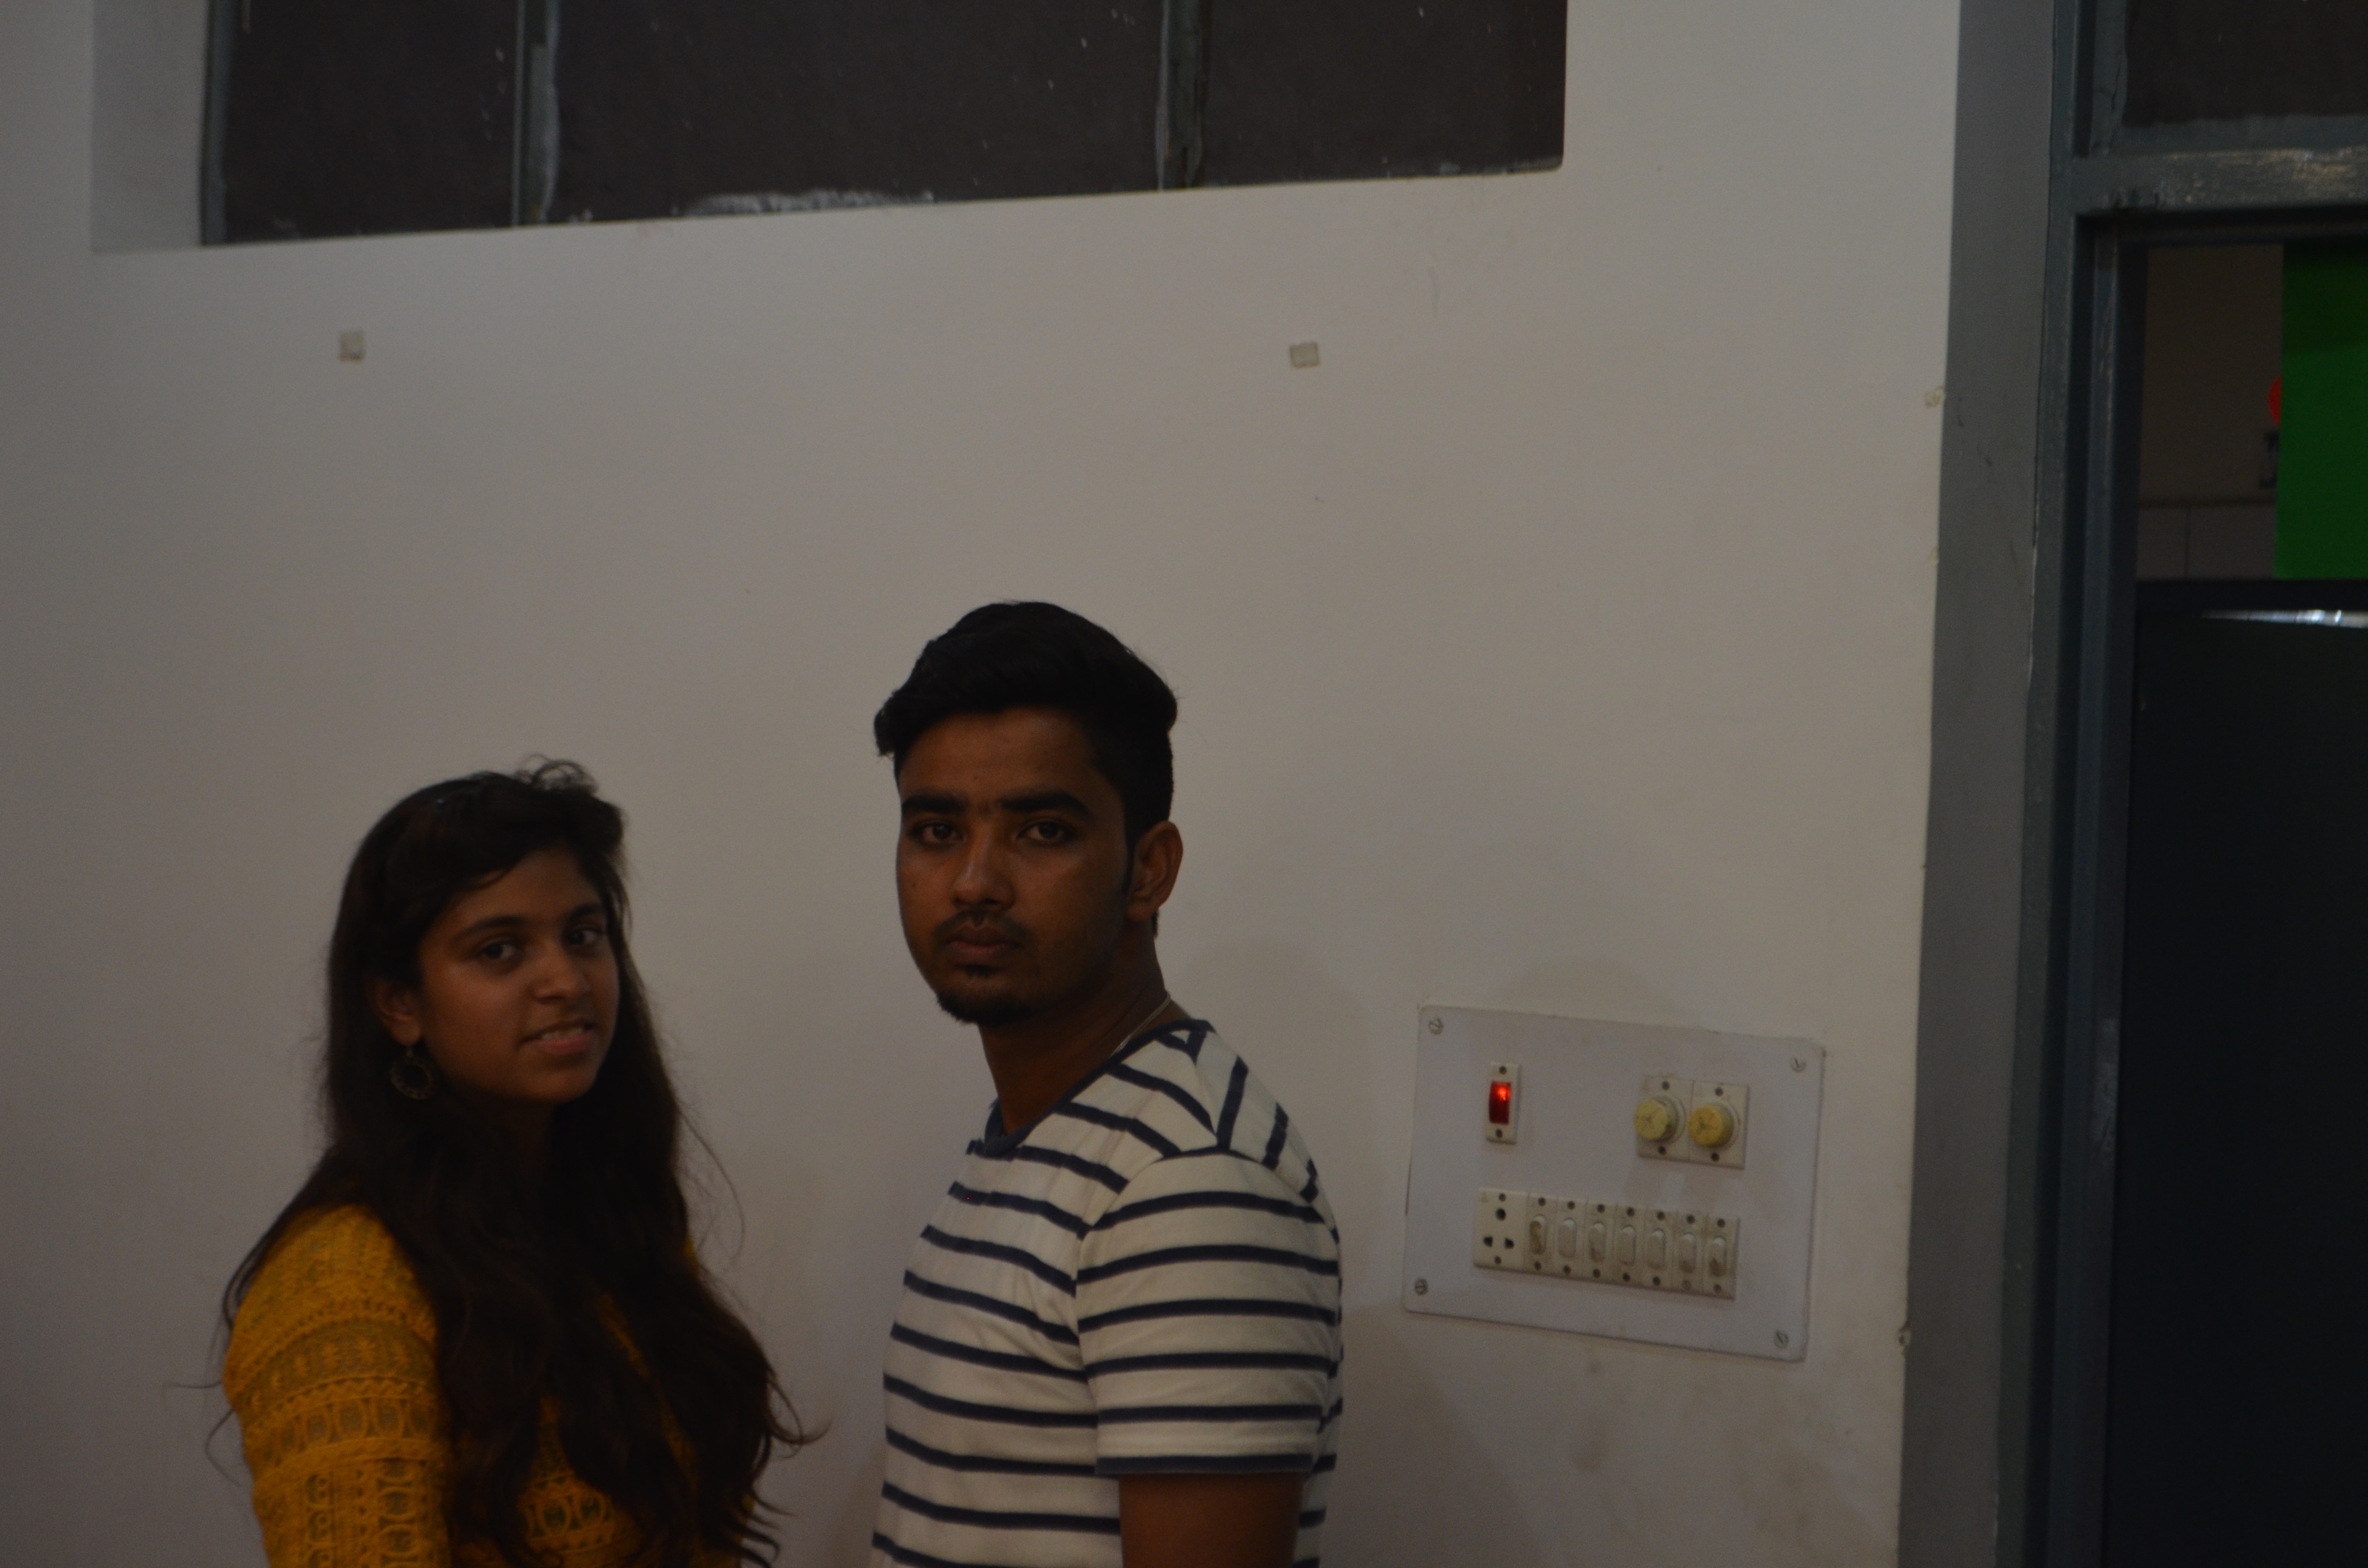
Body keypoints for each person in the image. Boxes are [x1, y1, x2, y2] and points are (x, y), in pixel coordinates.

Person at [222, 762, 801, 1568]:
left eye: (583, 935)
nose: (565, 981)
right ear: (399, 1004)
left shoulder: (615, 1220)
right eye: (499, 951)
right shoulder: (344, 1285)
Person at [868, 603, 1342, 1568]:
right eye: (937, 829)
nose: (974, 881)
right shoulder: (1054, 1129)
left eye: (1042, 830)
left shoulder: (1186, 1183)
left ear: (1148, 871)